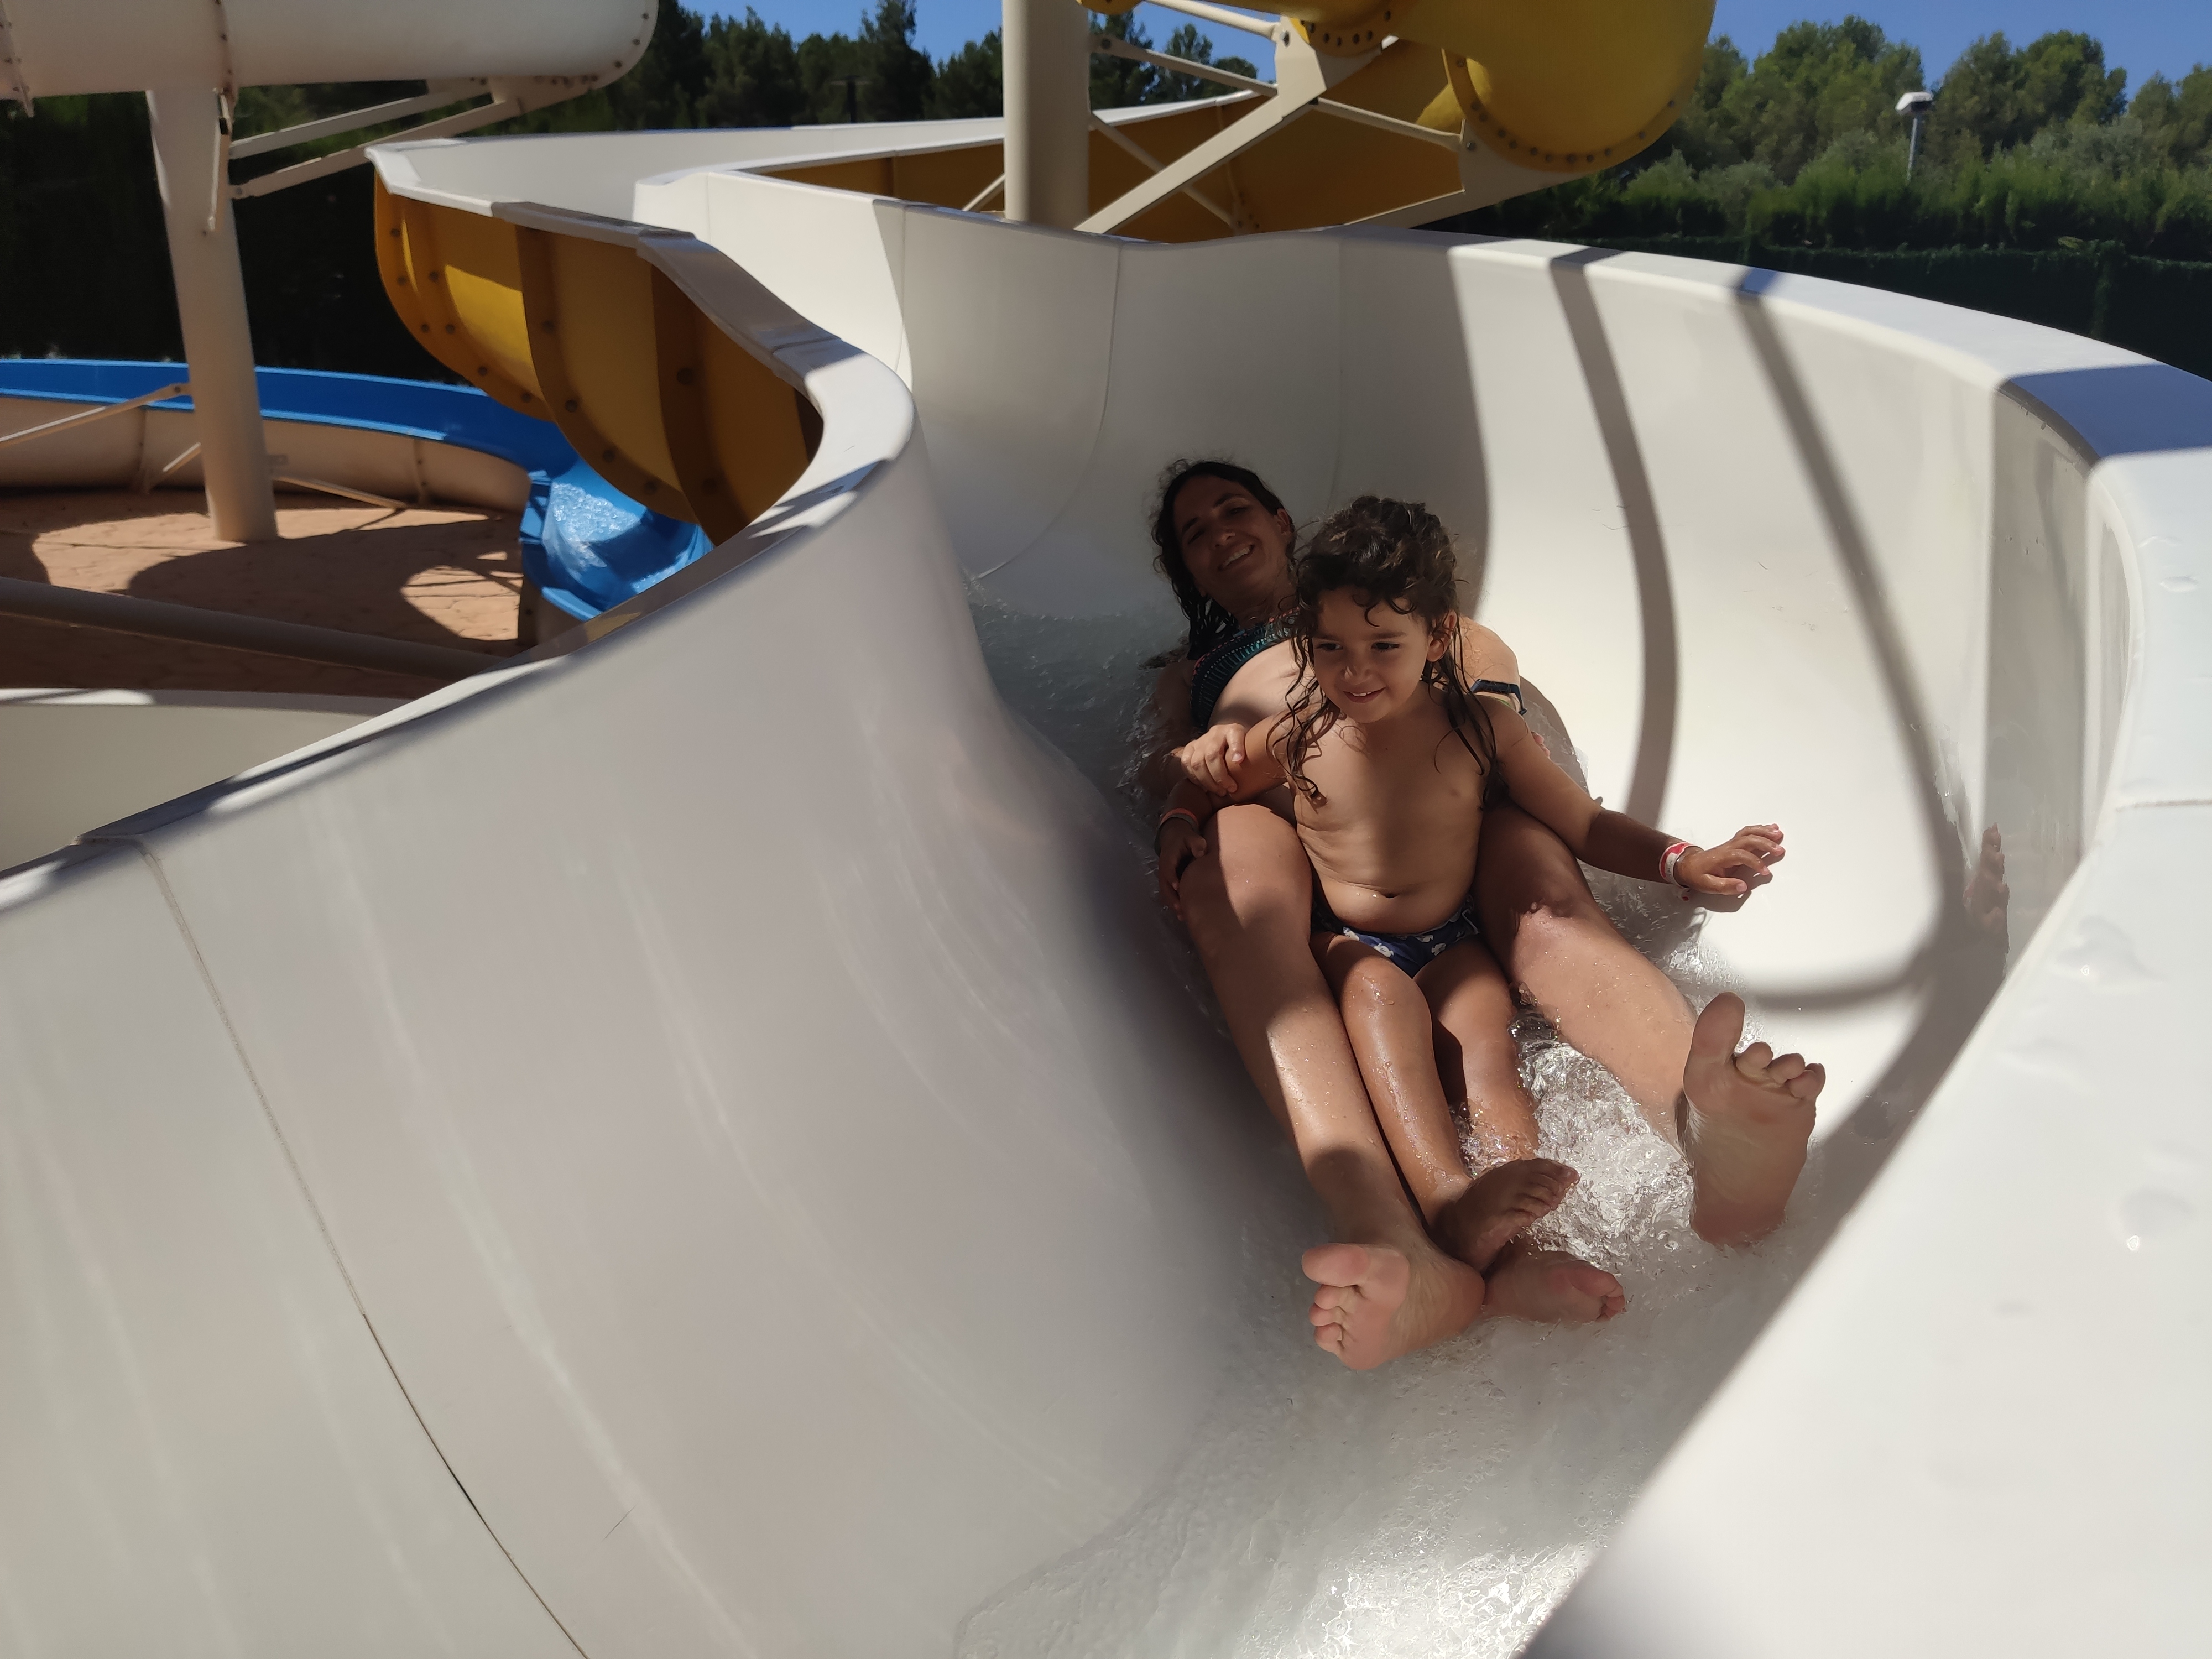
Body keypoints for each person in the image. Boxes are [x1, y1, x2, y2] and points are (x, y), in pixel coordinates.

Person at [1138, 461, 1825, 1370]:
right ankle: (1417, 1232)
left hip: (1455, 805)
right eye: (1194, 532)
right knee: (1342, 963)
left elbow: (1556, 782)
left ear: (1279, 518)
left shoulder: (1414, 639)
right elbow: (1169, 769)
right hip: (1300, 842)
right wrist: (1191, 791)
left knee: (1500, 999)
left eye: (1234, 508)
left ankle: (1701, 1135)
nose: (1221, 532)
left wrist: (1674, 857)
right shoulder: (1206, 680)